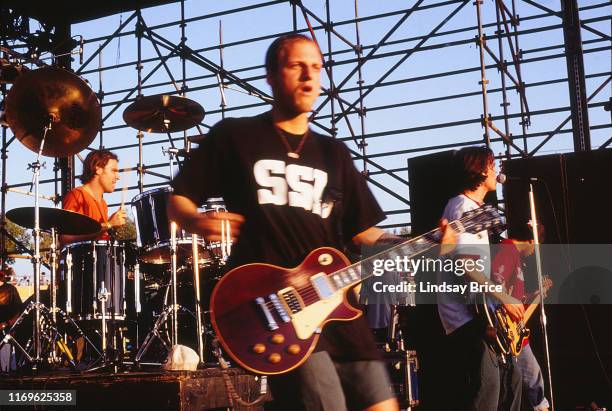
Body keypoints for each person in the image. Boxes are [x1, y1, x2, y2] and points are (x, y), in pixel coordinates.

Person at [168, 33, 455, 411]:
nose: (309, 75)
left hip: (337, 305)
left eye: (317, 67)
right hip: (278, 307)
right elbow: (178, 199)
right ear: (270, 75)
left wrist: (427, 243)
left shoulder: (333, 152)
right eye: (296, 65)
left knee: (385, 406)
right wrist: (196, 219)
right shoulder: (236, 136)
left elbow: (363, 231)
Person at [437, 146, 524, 410]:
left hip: (479, 313)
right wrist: (505, 297)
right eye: (493, 165)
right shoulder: (463, 207)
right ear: (482, 169)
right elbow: (467, 266)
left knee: (512, 381)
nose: (496, 172)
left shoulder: (471, 207)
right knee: (488, 389)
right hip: (466, 317)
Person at [492, 223, 550, 411]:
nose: (535, 251)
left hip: (516, 334)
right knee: (533, 382)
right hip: (508, 332)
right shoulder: (508, 249)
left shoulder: (515, 257)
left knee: (518, 384)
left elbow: (515, 301)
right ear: (532, 241)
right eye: (537, 245)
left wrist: (534, 296)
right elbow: (496, 283)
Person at [60, 149, 126, 244]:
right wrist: (109, 224)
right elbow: (66, 238)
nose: (118, 176)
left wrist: (112, 227)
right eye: (113, 171)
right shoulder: (77, 195)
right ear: (98, 169)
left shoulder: (103, 203)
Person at [0, 267, 22, 371]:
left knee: (5, 349)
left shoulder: (11, 290)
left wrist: (8, 323)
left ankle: (5, 370)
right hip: (5, 326)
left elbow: (18, 309)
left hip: (6, 328)